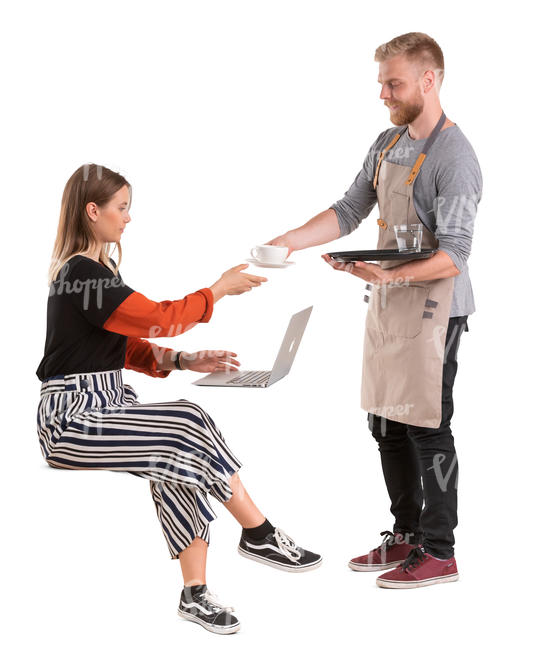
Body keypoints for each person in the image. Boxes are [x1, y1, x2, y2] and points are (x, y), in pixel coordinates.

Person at [36, 163, 322, 635]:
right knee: (182, 423)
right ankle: (258, 532)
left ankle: (196, 594)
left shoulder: (99, 270)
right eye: (122, 208)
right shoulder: (80, 273)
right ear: (94, 211)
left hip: (109, 404)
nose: (127, 219)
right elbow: (157, 318)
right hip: (71, 420)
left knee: (173, 450)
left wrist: (184, 360)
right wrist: (216, 292)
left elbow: (121, 346)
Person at [267, 32, 482, 589]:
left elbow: (454, 254)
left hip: (437, 311)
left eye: (394, 83)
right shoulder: (387, 144)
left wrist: (390, 275)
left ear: (428, 80)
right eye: (382, 82)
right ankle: (406, 534)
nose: (383, 94)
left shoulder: (456, 158)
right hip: (388, 303)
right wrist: (289, 241)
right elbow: (349, 209)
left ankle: (440, 550)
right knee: (386, 422)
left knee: (428, 427)